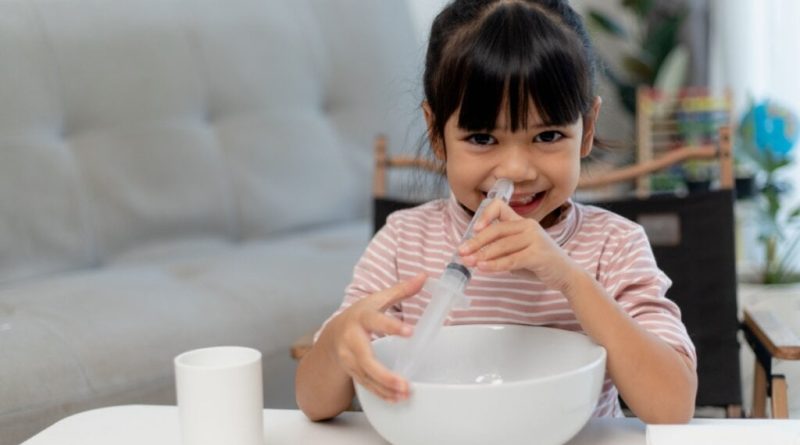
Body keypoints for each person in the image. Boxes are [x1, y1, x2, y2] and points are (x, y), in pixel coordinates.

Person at [296, 0, 697, 423]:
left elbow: (672, 406)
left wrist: (571, 280)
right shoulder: (404, 242)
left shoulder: (613, 247)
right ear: (436, 133)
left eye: (547, 135)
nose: (516, 170)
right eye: (483, 139)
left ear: (587, 130)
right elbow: (313, 402)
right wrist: (342, 339)